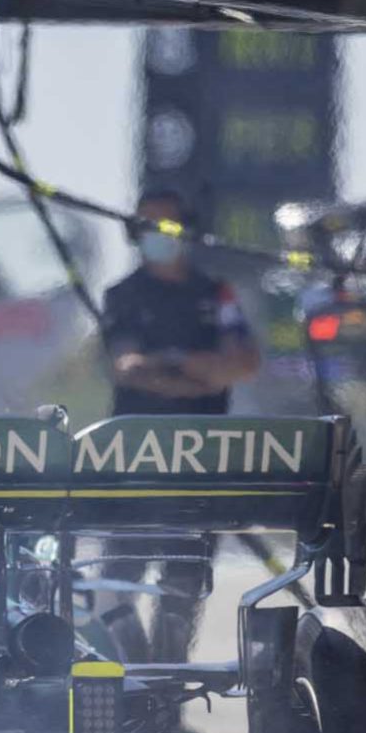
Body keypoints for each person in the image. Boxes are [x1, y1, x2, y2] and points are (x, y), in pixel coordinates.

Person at [97, 188, 262, 667]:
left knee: (184, 583)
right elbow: (127, 367)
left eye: (167, 227)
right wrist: (199, 375)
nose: (158, 237)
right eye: (147, 227)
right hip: (133, 464)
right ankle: (129, 688)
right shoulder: (121, 296)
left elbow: (246, 362)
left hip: (200, 464)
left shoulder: (217, 294)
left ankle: (169, 693)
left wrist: (177, 365)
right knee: (119, 580)